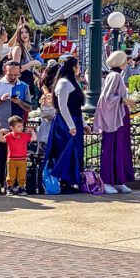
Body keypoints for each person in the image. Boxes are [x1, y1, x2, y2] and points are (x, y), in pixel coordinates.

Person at [94, 50, 138, 193]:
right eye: (125, 60)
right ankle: (107, 181)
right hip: (114, 119)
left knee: (120, 148)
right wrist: (124, 100)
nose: (127, 62)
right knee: (112, 148)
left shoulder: (115, 75)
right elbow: (106, 98)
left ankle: (118, 180)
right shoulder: (115, 76)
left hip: (118, 117)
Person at [0, 61, 32, 194]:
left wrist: (19, 102)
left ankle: (16, 184)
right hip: (2, 126)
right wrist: (0, 100)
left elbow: (29, 107)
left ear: (19, 73)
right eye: (10, 74)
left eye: (16, 75)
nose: (13, 77)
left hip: (17, 129)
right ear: (5, 71)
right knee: (0, 156)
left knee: (17, 157)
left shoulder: (23, 86)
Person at [44, 56, 86, 192]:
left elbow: (77, 106)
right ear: (74, 68)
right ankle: (63, 183)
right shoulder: (64, 83)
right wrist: (71, 126)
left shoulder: (71, 83)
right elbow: (62, 107)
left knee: (75, 151)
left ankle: (69, 182)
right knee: (65, 151)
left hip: (74, 120)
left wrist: (83, 123)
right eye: (78, 65)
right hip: (65, 123)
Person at [0, 116, 36, 196]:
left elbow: (34, 139)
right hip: (11, 159)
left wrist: (32, 131)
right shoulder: (9, 135)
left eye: (22, 126)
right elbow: (1, 140)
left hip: (22, 158)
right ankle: (9, 187)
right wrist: (0, 132)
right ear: (12, 127)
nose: (21, 128)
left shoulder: (25, 135)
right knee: (11, 175)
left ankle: (21, 187)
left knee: (21, 174)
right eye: (19, 126)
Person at [10, 24, 42, 100]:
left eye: (26, 32)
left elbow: (25, 66)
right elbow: (15, 69)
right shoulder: (18, 48)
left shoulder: (25, 49)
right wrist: (33, 62)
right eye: (21, 32)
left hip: (27, 83)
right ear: (18, 35)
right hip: (20, 85)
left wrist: (35, 72)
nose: (24, 34)